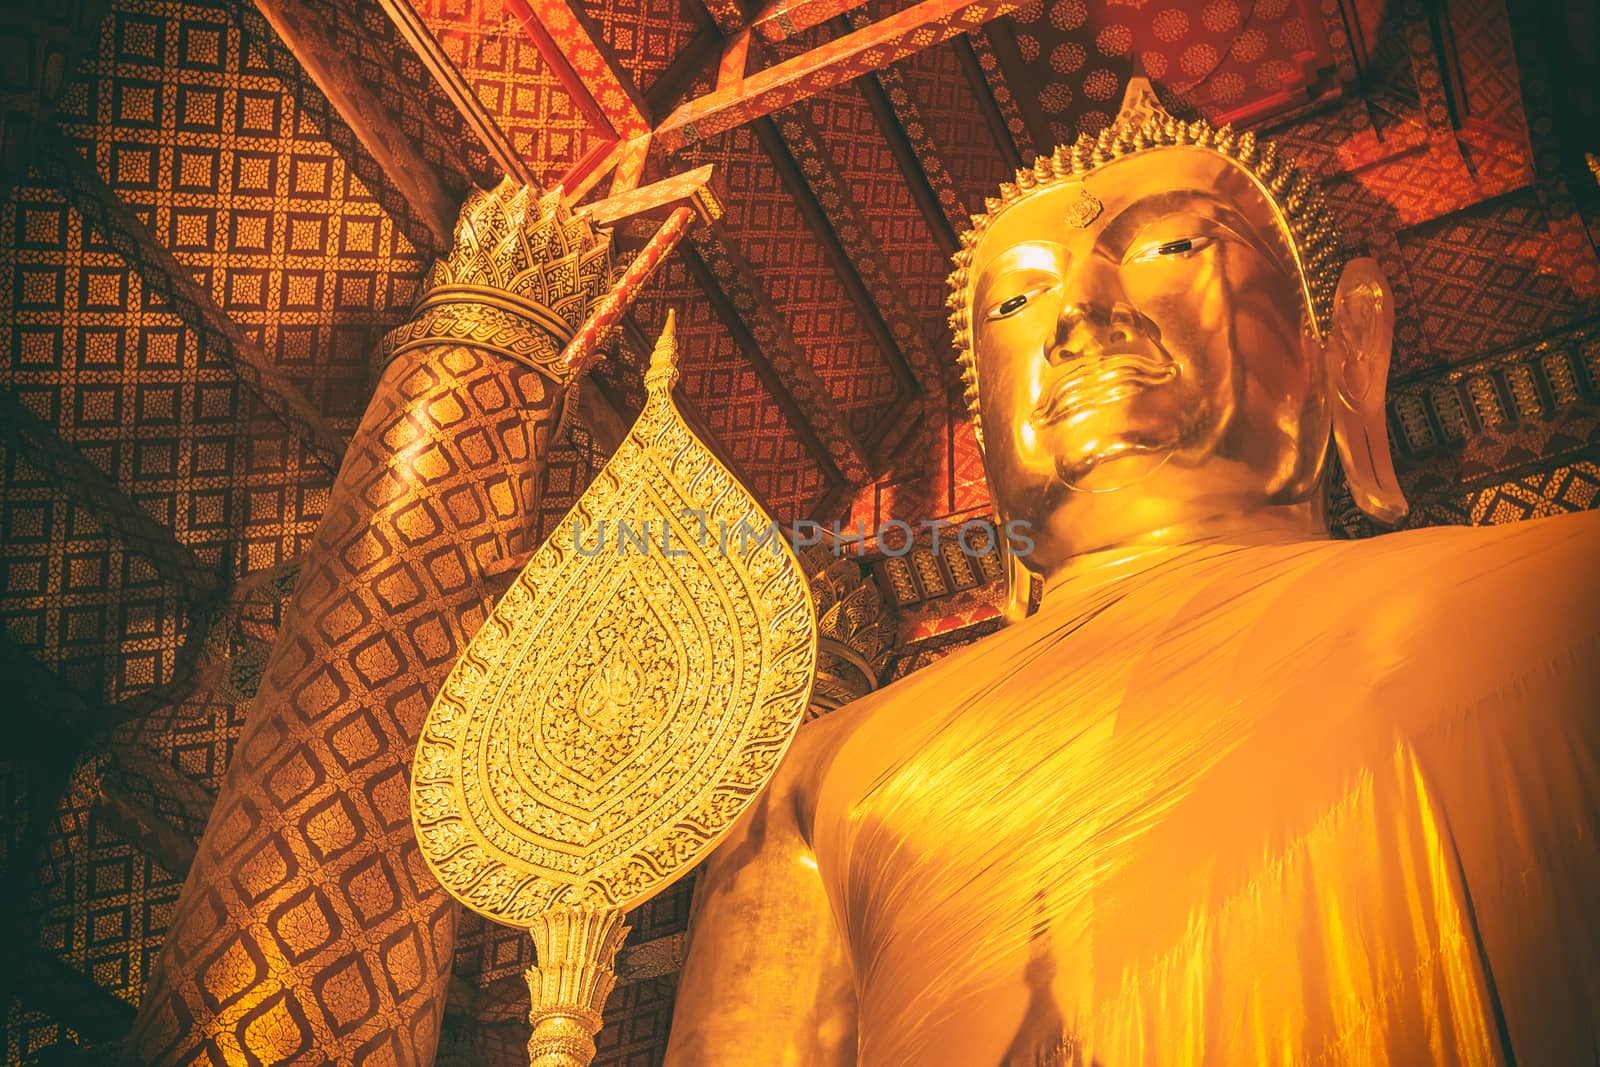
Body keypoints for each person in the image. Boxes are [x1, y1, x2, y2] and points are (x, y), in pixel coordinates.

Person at [662, 83, 1600, 1065]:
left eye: (1169, 249)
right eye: (1017, 302)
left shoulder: (1564, 591)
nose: (1080, 312)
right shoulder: (819, 775)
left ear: (1347, 349)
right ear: (982, 444)